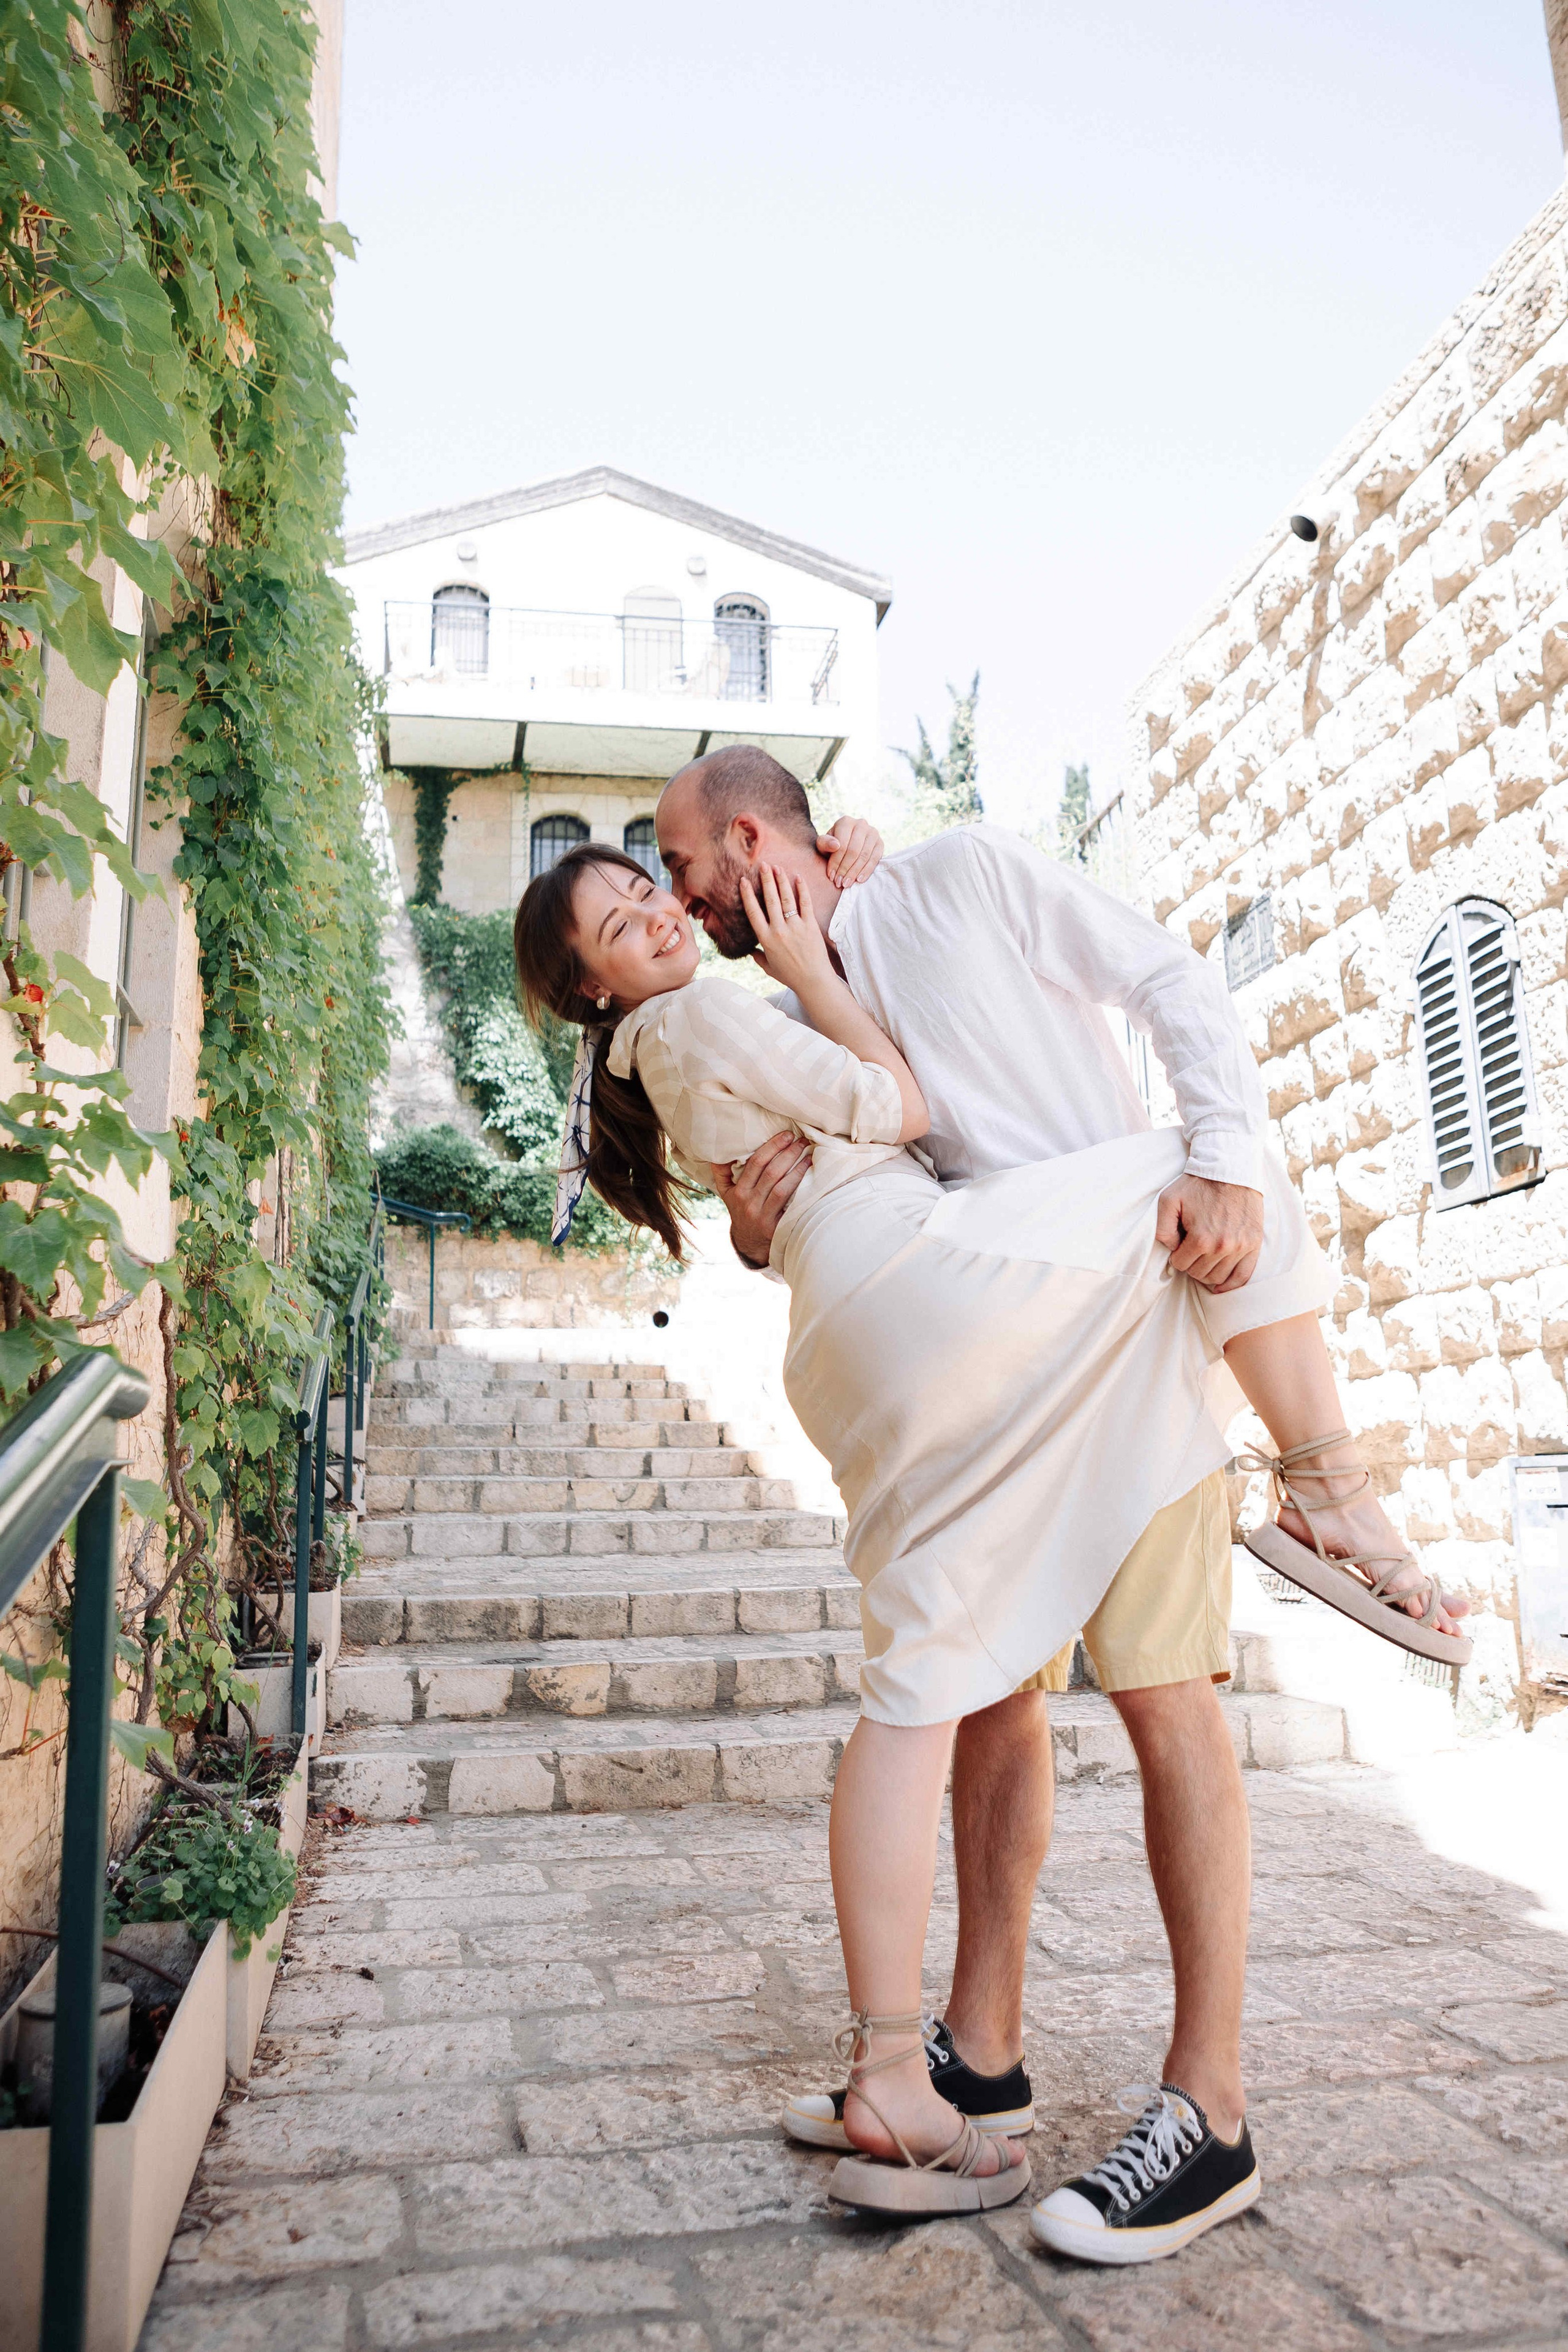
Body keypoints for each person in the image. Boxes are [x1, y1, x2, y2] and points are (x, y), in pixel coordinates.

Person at [513, 774, 1465, 2250]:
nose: (675, 897)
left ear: (750, 845)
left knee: (1161, 1701)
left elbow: (1153, 984)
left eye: (678, 869)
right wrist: (761, 1217)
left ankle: (1205, 2109)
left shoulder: (948, 877)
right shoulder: (765, 985)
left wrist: (1218, 1157)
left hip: (1112, 1325)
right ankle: (979, 2055)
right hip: (974, 1337)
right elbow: (837, 1143)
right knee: (980, 1716)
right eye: (647, 895)